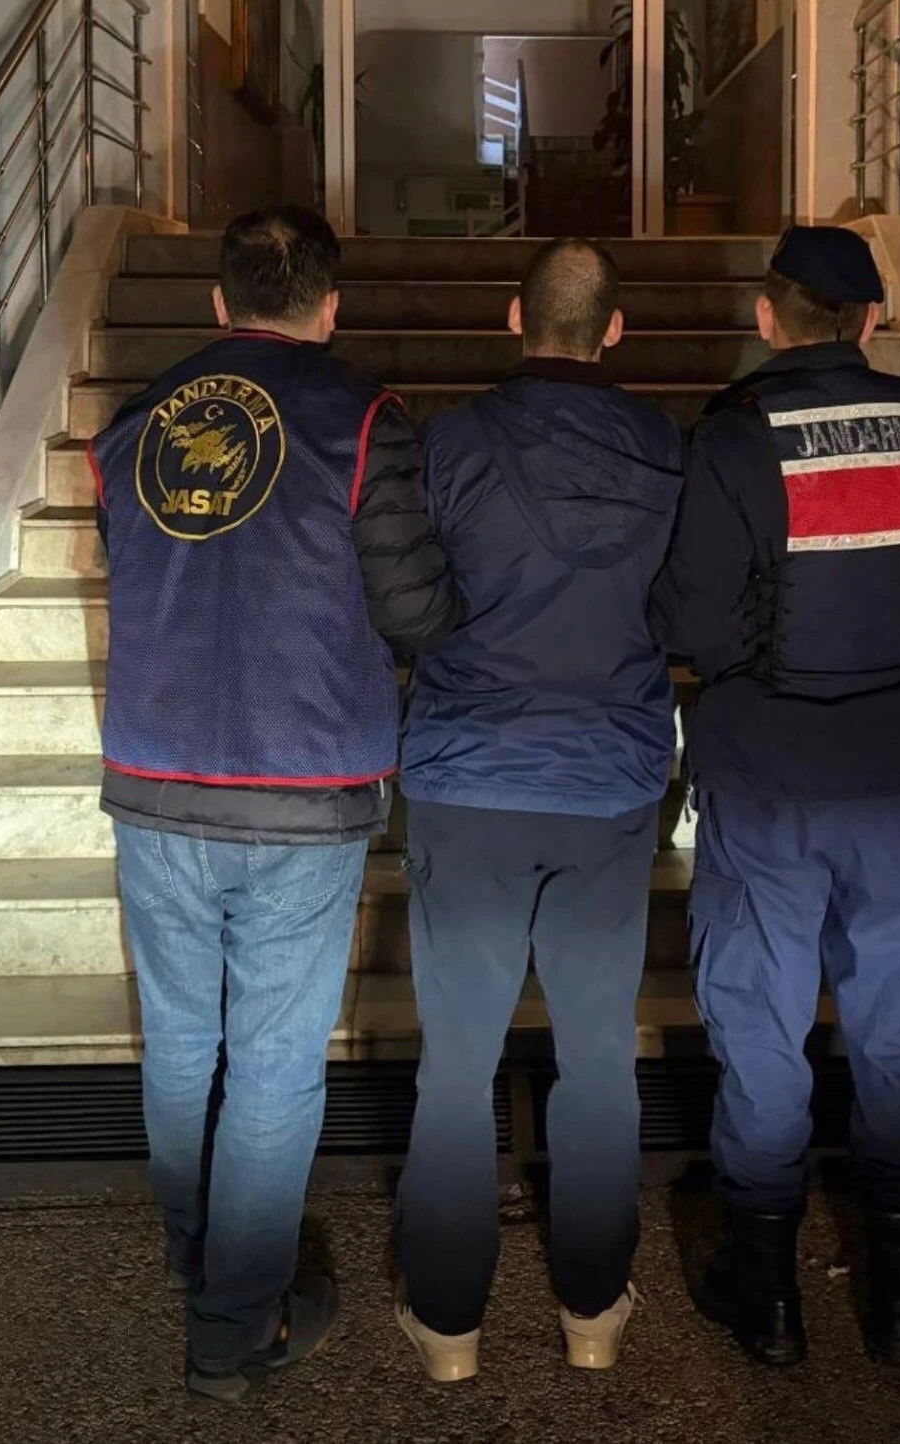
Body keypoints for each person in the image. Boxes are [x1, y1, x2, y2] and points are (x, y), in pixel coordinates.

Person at [90, 204, 461, 1402]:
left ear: (219, 301)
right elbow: (414, 610)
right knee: (273, 1064)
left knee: (180, 1041)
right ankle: (234, 1326)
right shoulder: (363, 419)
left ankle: (196, 1253)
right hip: (301, 782)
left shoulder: (133, 425)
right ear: (330, 306)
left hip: (156, 776)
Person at [651, 226, 900, 1369]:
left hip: (772, 773)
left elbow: (691, 618)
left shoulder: (737, 437)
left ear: (767, 318)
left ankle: (770, 1296)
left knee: (761, 1021)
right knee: (895, 1027)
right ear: (870, 321)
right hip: (896, 774)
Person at [393, 238, 684, 1382]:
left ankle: (449, 1326)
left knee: (456, 1065)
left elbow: (408, 596)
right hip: (607, 781)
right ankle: (593, 1313)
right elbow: (683, 604)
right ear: (615, 330)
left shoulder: (450, 442)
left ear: (514, 319)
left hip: (469, 776)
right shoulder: (665, 446)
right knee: (599, 1058)